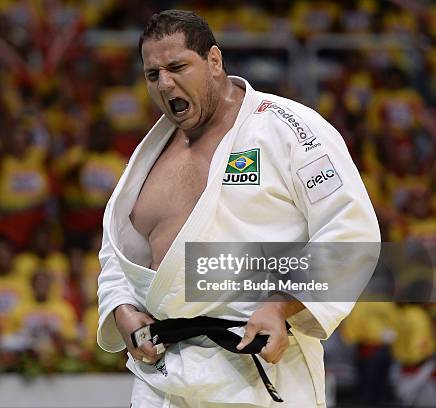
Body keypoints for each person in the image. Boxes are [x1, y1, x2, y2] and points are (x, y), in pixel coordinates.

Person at [96, 10, 380, 407]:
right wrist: (121, 306)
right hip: (163, 377)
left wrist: (281, 304)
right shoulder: (150, 155)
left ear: (214, 60)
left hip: (257, 363)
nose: (165, 83)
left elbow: (352, 234)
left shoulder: (288, 129)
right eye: (152, 74)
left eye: (177, 66)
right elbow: (119, 252)